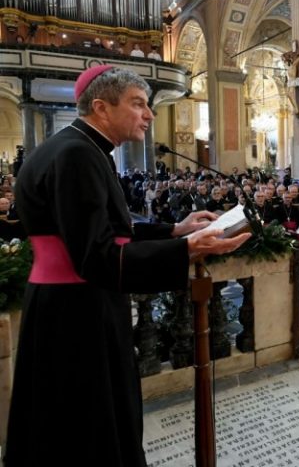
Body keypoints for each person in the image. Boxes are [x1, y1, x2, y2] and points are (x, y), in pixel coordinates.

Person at [5, 65, 251, 466]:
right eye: (138, 104)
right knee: (88, 429)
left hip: (69, 304)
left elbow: (106, 231)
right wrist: (184, 250)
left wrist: (174, 230)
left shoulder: (79, 148)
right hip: (78, 313)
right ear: (101, 107)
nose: (149, 115)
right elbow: (96, 256)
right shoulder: (77, 155)